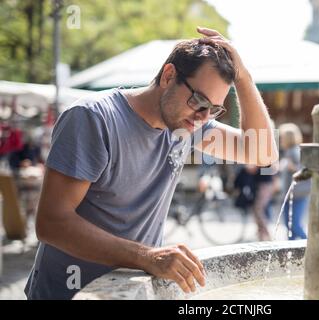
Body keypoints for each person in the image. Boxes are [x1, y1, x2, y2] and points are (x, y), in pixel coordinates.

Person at [25, 27, 278, 300]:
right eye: (199, 101)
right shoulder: (93, 118)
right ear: (169, 76)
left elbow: (261, 153)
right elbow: (51, 223)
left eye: (214, 109)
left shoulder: (188, 125)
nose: (204, 117)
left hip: (129, 292)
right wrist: (147, 257)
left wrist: (244, 77)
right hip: (68, 294)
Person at [279, 123, 310, 240]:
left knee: (294, 225)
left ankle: (307, 245)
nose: (280, 140)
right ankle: (290, 252)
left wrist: (292, 167)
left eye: (282, 137)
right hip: (292, 194)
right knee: (289, 226)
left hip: (298, 194)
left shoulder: (294, 151)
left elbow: (306, 171)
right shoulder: (289, 151)